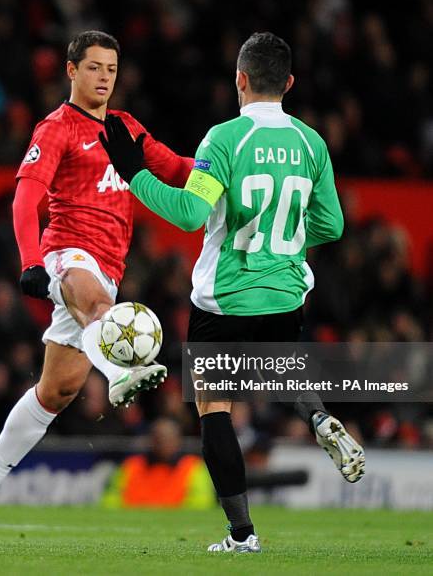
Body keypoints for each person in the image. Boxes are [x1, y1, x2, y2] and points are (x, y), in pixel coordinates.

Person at [99, 32, 365, 554]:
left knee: (213, 408)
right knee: (278, 364)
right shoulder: (312, 142)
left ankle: (242, 533)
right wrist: (282, 241)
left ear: (239, 79)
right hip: (285, 294)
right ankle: (318, 415)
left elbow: (189, 214)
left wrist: (133, 174)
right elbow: (331, 224)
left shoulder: (224, 139)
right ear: (288, 83)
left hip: (224, 299)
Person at [0, 30, 192, 543]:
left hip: (108, 263)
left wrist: (225, 170)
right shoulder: (57, 128)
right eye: (94, 68)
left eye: (111, 69)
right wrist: (31, 261)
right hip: (67, 252)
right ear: (71, 71)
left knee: (57, 391)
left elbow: (176, 169)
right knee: (100, 304)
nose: (104, 77)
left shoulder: (126, 128)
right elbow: (25, 198)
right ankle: (120, 370)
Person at [102, 418, 215, 509]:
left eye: (168, 439)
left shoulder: (193, 467)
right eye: (158, 439)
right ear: (150, 440)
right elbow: (111, 499)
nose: (163, 444)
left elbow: (201, 504)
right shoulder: (131, 465)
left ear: (178, 441)